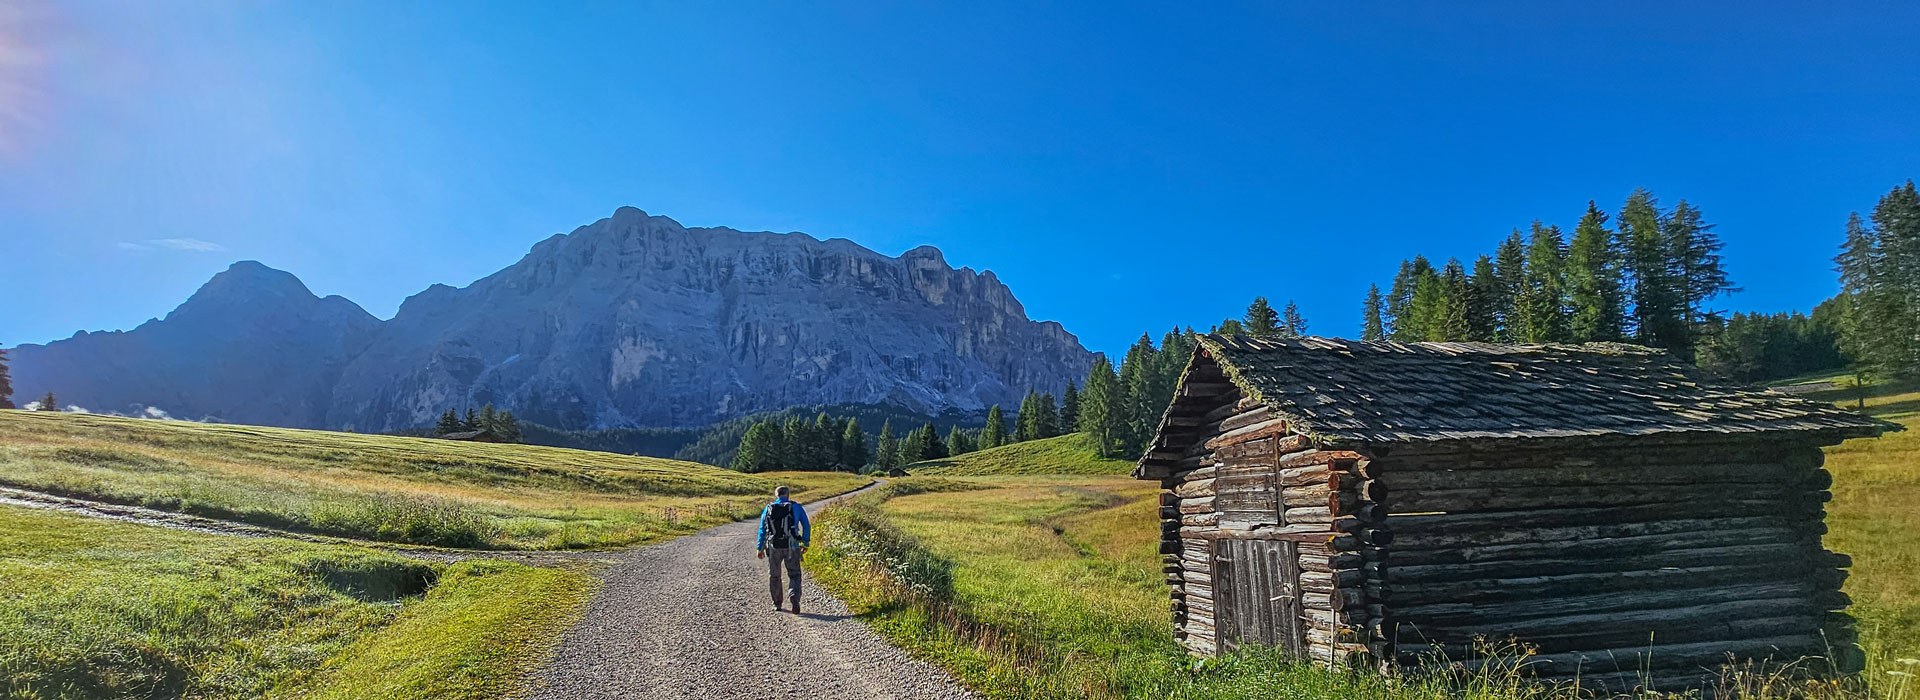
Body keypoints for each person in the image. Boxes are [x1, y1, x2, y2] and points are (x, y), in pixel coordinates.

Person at [755, 485, 811, 613]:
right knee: (794, 574)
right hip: (792, 546)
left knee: (774, 575)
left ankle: (777, 603)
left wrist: (760, 547)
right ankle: (794, 596)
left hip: (774, 547)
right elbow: (806, 525)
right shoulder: (796, 507)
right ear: (788, 494)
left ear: (776, 496)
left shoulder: (768, 508)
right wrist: (805, 542)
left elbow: (762, 529)